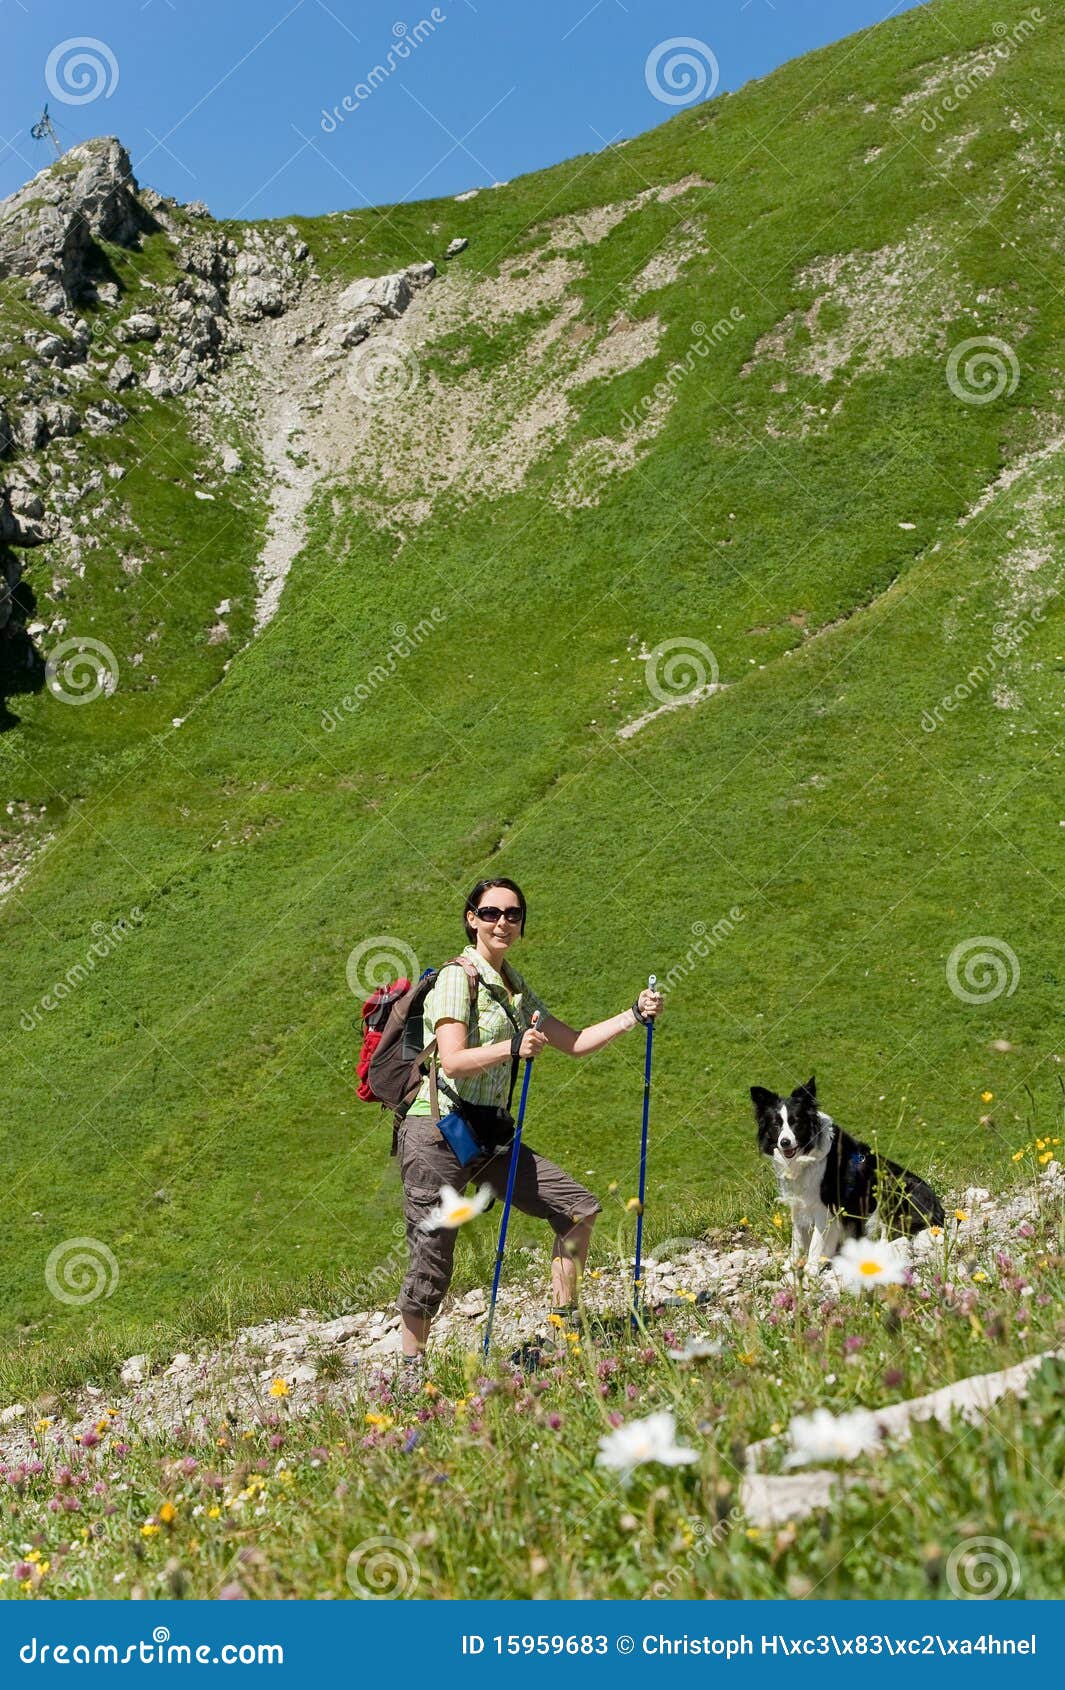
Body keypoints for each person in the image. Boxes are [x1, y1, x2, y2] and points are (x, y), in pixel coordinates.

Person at [394, 877, 663, 1382]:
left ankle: (565, 1326)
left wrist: (633, 1015)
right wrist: (511, 1049)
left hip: (487, 1133)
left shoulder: (515, 989)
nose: (502, 922)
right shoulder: (458, 978)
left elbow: (576, 1042)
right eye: (491, 912)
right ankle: (409, 1372)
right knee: (434, 1259)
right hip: (435, 1131)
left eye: (513, 914)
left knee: (577, 1209)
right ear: (471, 918)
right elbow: (451, 1061)